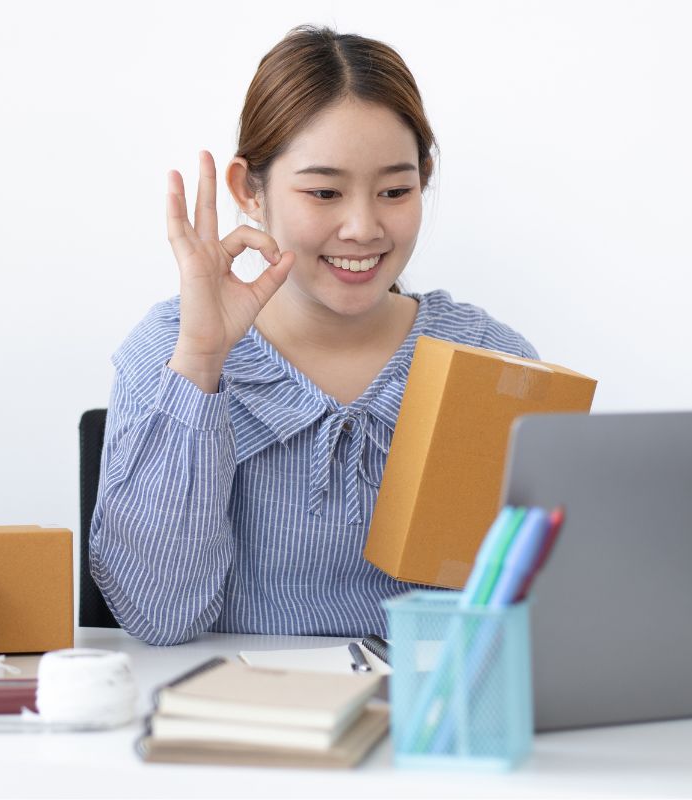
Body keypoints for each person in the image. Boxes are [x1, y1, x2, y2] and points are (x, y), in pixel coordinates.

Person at [90, 25, 538, 646]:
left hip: (427, 722)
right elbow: (159, 617)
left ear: (424, 178)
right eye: (324, 191)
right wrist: (200, 361)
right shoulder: (169, 347)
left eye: (396, 191)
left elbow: (523, 617)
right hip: (243, 721)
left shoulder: (492, 361)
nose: (362, 226)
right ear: (250, 189)